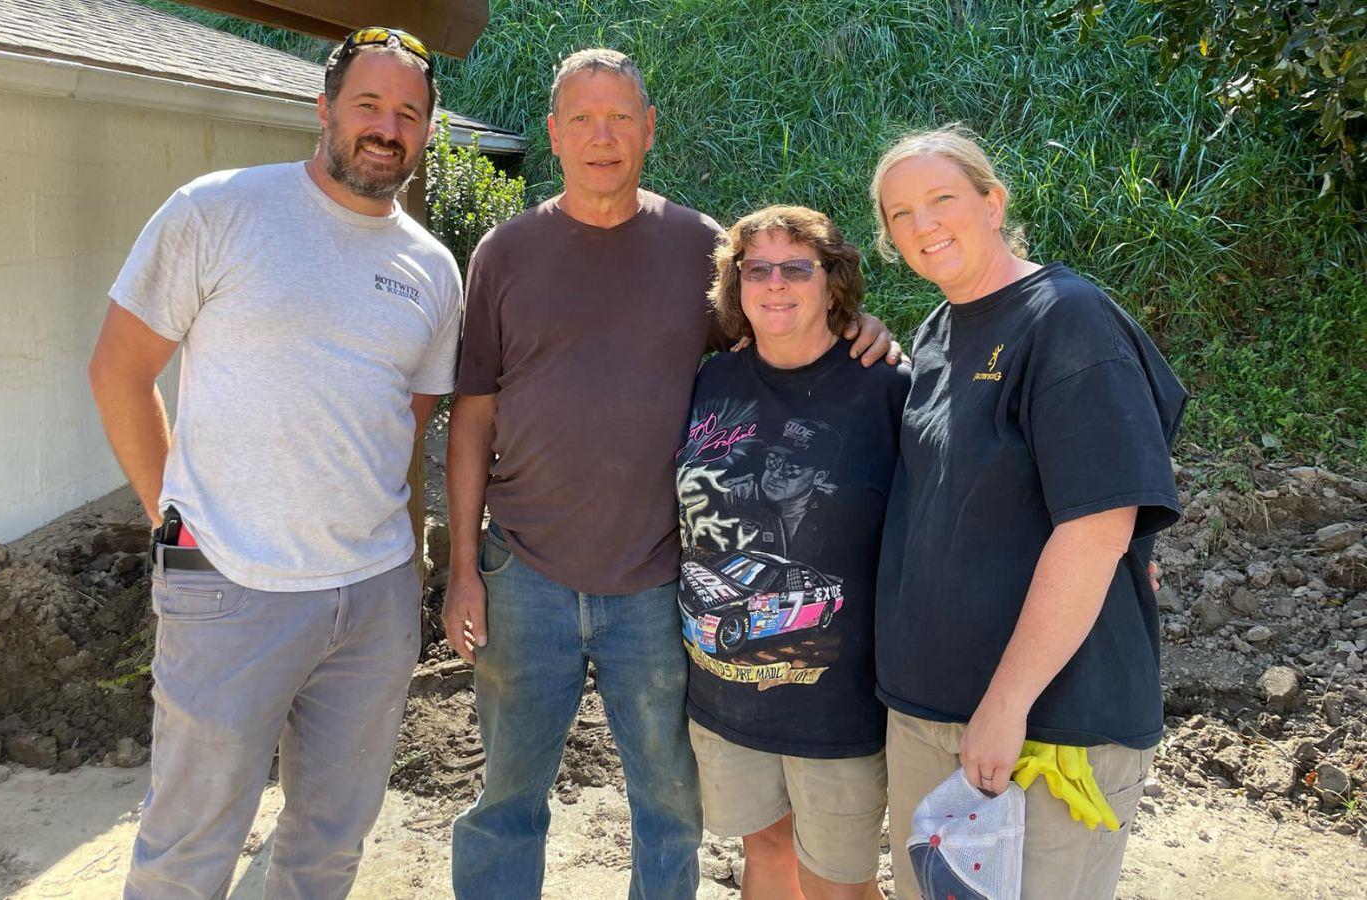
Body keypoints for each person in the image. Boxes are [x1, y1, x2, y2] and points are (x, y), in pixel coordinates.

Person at [441, 49, 901, 900]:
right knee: (506, 796)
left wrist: (855, 321)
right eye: (581, 118)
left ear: (650, 130)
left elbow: (778, 321)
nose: (601, 136)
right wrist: (463, 568)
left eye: (620, 117)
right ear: (553, 134)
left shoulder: (698, 248)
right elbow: (472, 414)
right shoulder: (505, 251)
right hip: (524, 572)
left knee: (669, 806)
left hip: (660, 584)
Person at [87, 27, 461, 899]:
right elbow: (119, 369)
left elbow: (401, 430)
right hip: (230, 587)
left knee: (328, 845)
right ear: (324, 108)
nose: (386, 126)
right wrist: (171, 522)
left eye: (408, 113)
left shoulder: (432, 270)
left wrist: (399, 580)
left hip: (371, 603)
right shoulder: (218, 211)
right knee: (188, 849)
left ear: (427, 134)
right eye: (367, 104)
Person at [870, 126, 1187, 900]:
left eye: (941, 199)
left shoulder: (1067, 319)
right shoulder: (941, 331)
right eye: (900, 213)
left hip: (1046, 725)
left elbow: (1098, 526)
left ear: (992, 202)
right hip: (930, 713)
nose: (923, 225)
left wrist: (1006, 705)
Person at [676, 206, 907, 900]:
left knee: (839, 883)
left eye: (796, 268)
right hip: (724, 689)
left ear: (833, 284)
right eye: (757, 269)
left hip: (836, 703)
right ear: (735, 286)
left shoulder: (885, 388)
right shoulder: (715, 379)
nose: (776, 284)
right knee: (766, 854)